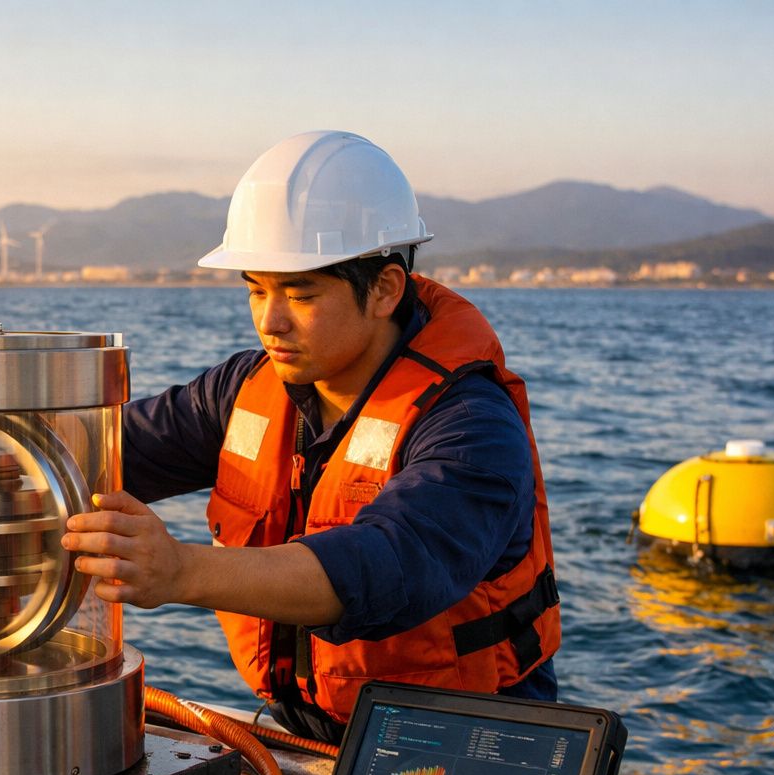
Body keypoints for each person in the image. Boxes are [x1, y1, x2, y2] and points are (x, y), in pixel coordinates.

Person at [62, 130, 559, 743]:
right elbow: (98, 454)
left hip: (469, 748)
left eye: (300, 294)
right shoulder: (243, 390)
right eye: (256, 289)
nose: (270, 321)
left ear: (384, 289)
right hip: (304, 735)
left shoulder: (471, 426)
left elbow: (385, 565)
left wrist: (179, 571)